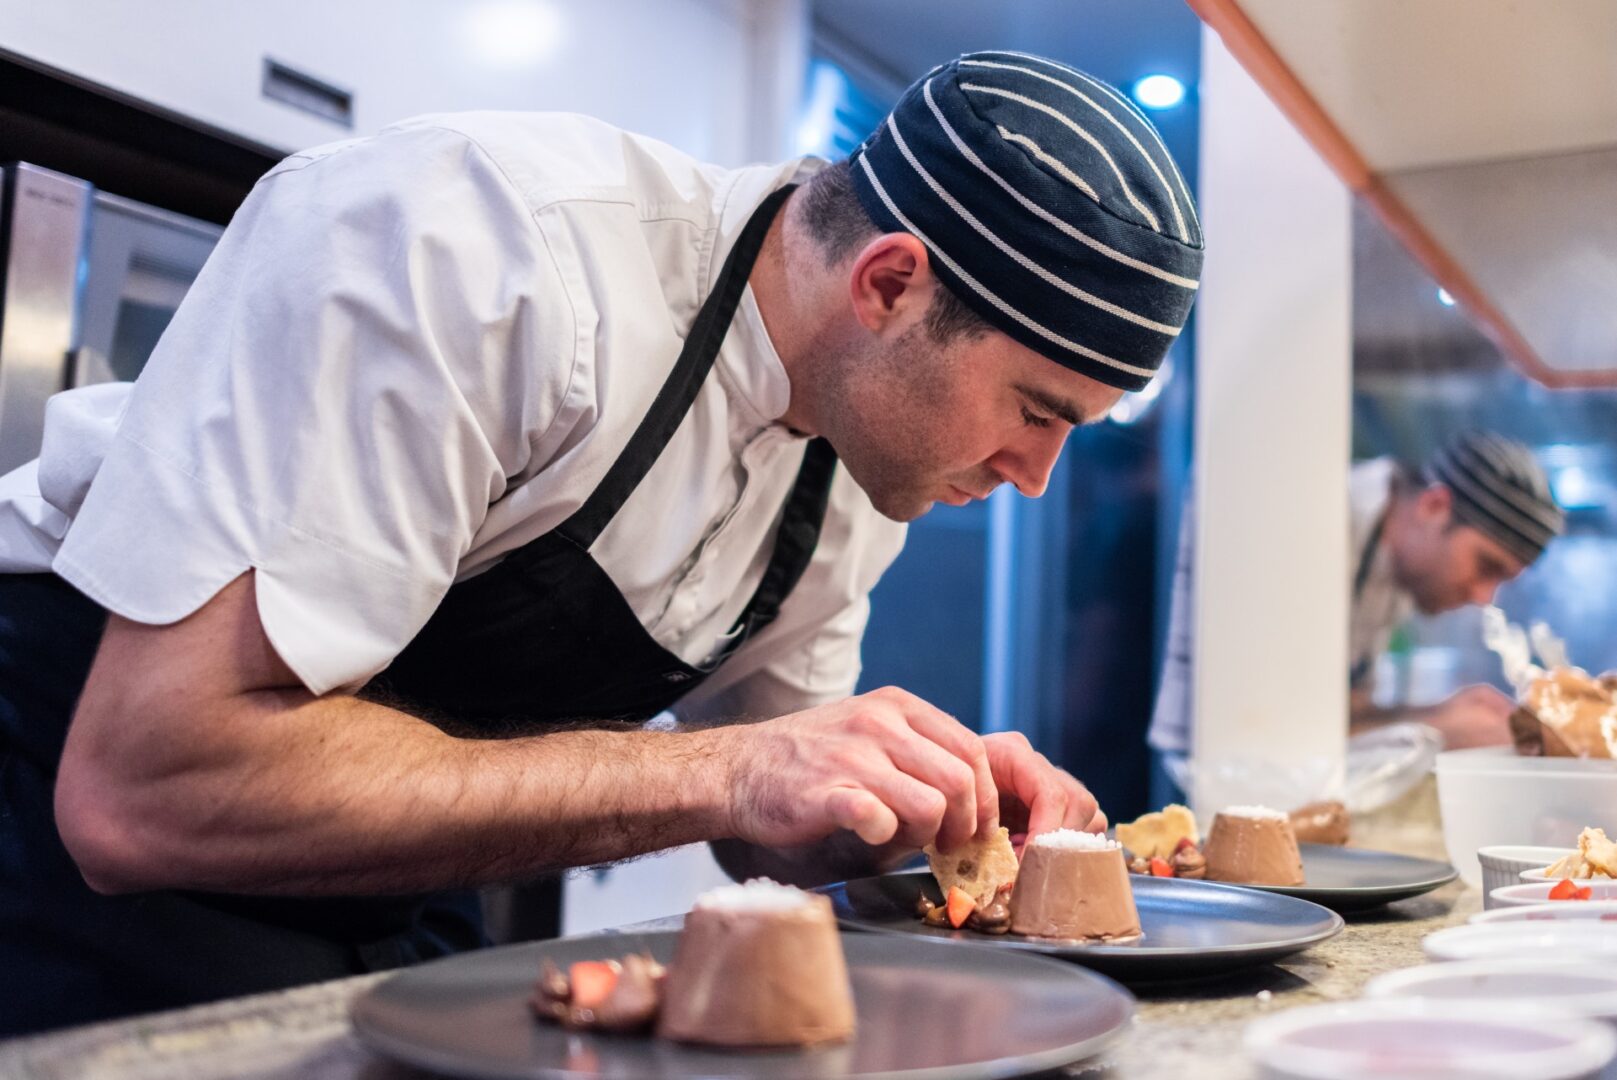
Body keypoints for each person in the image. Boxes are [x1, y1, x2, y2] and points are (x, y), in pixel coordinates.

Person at [0, 51, 1203, 1032]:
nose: (1038, 476)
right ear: (888, 284)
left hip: (387, 891)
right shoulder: (479, 247)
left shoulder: (852, 463)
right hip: (67, 860)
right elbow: (138, 792)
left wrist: (916, 808)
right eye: (1036, 409)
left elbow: (763, 826)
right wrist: (733, 769)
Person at [1148, 430, 1564, 801]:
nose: (1483, 596)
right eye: (1486, 566)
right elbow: (1266, 738)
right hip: (1179, 793)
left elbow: (1341, 712)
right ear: (1435, 505)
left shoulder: (1396, 571)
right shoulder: (1310, 523)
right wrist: (1437, 731)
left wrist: (1441, 715)